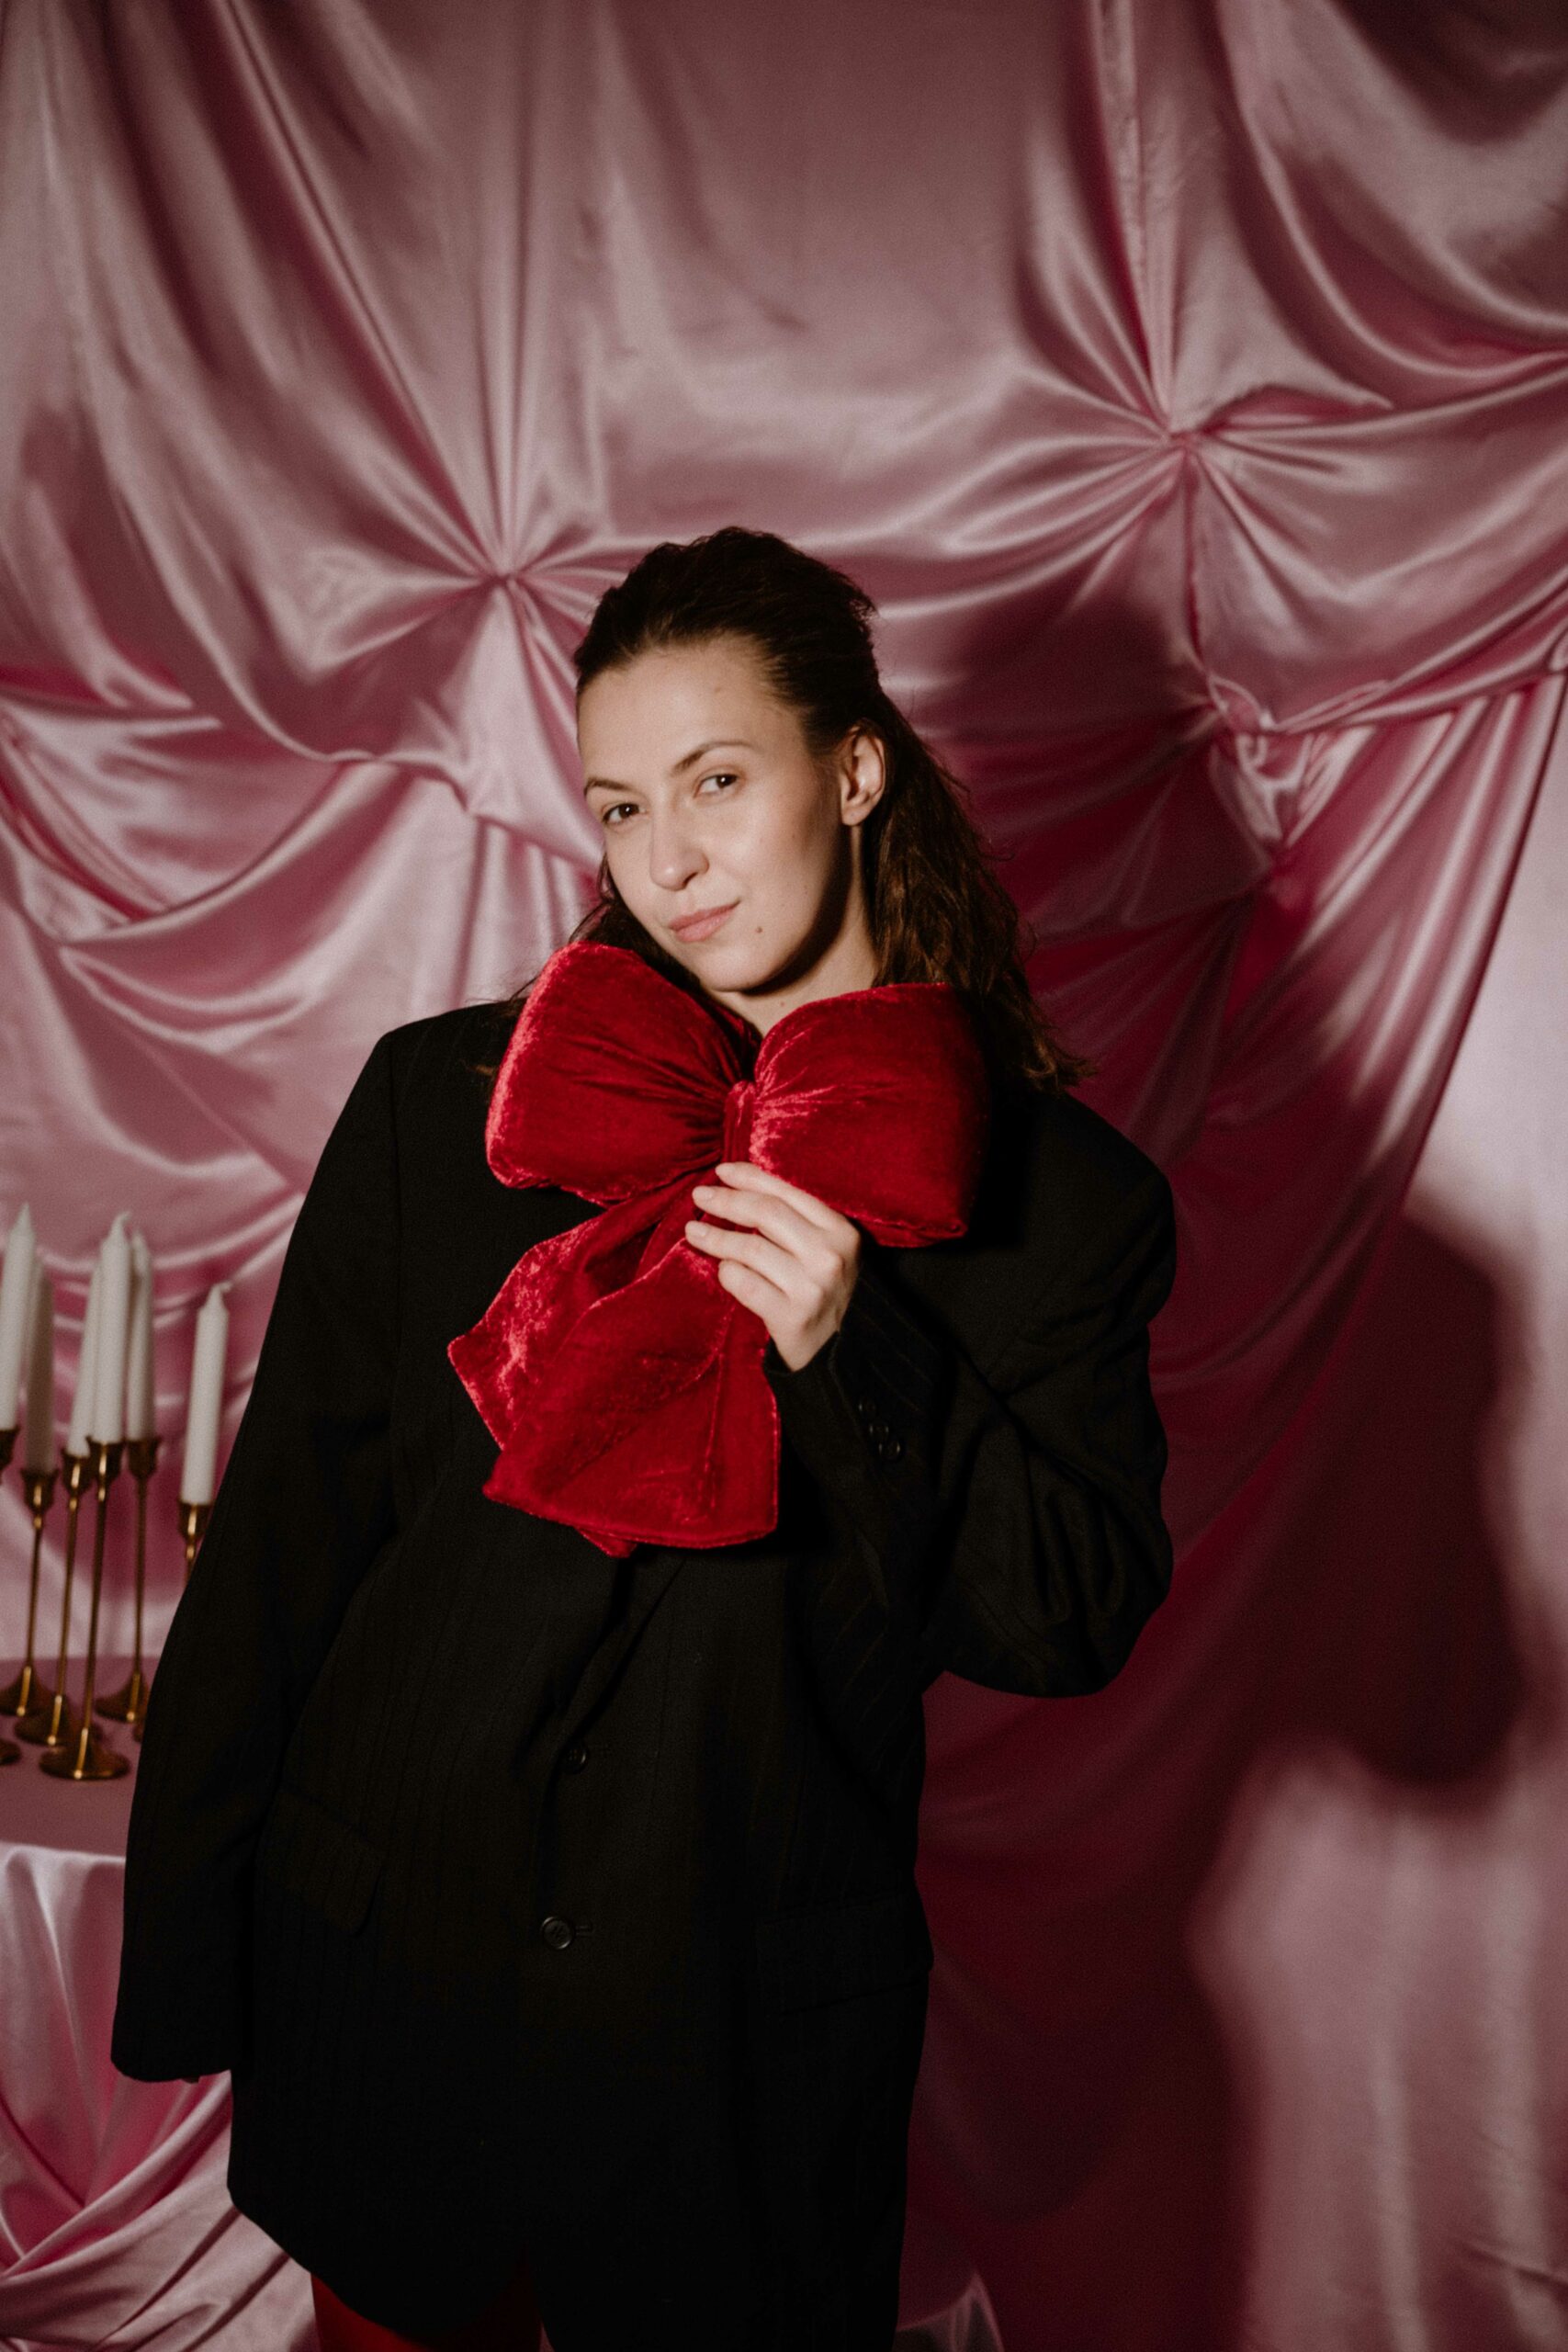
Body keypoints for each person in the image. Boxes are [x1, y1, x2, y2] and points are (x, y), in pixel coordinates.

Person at [110, 526, 1179, 2352]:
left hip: (736, 2059)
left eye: (717, 781)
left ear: (853, 771)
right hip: (385, 1992)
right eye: (619, 806)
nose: (666, 860)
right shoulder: (445, 1106)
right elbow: (286, 1547)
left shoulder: (1067, 1202)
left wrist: (859, 1350)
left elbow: (1067, 1615)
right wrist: (194, 1963)